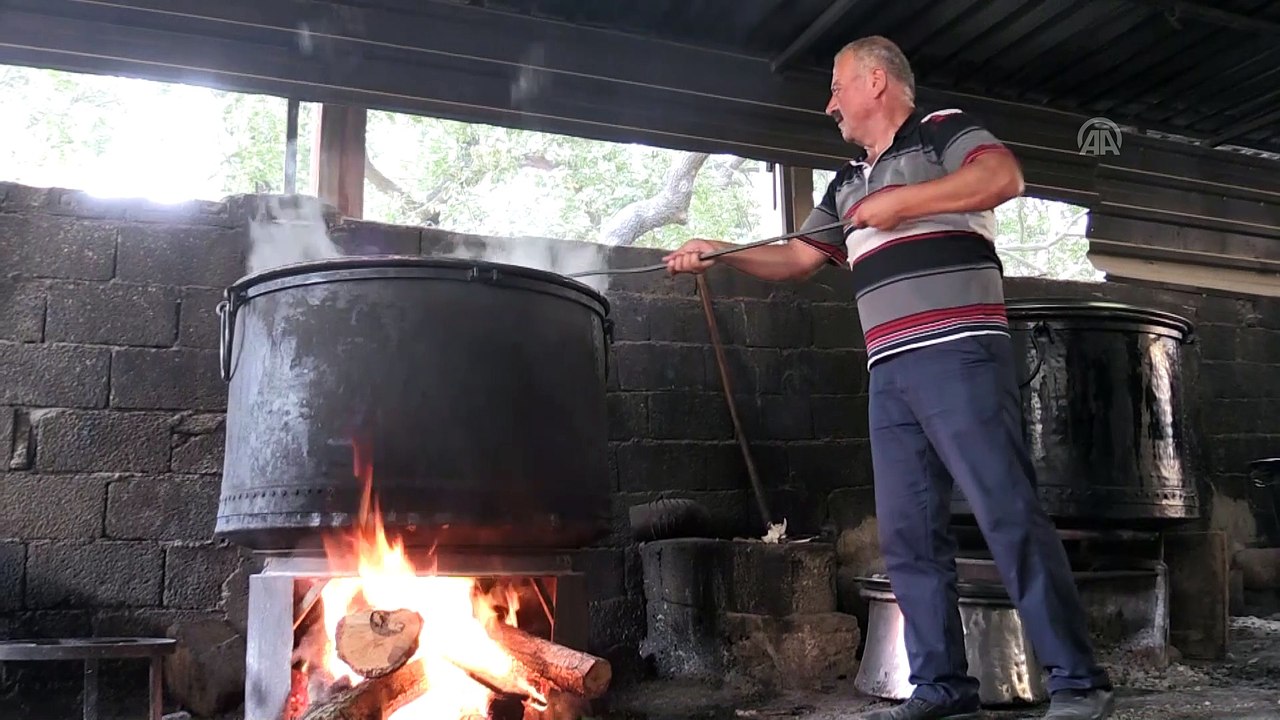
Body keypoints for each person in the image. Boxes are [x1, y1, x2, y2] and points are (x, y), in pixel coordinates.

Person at [663, 36, 1115, 720]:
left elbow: (1002, 178)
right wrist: (720, 252)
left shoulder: (942, 132)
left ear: (876, 81)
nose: (830, 104)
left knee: (1006, 512)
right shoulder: (845, 183)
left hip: (961, 352)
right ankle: (941, 686)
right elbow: (794, 258)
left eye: (838, 87)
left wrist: (905, 204)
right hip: (890, 370)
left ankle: (1078, 680)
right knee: (908, 534)